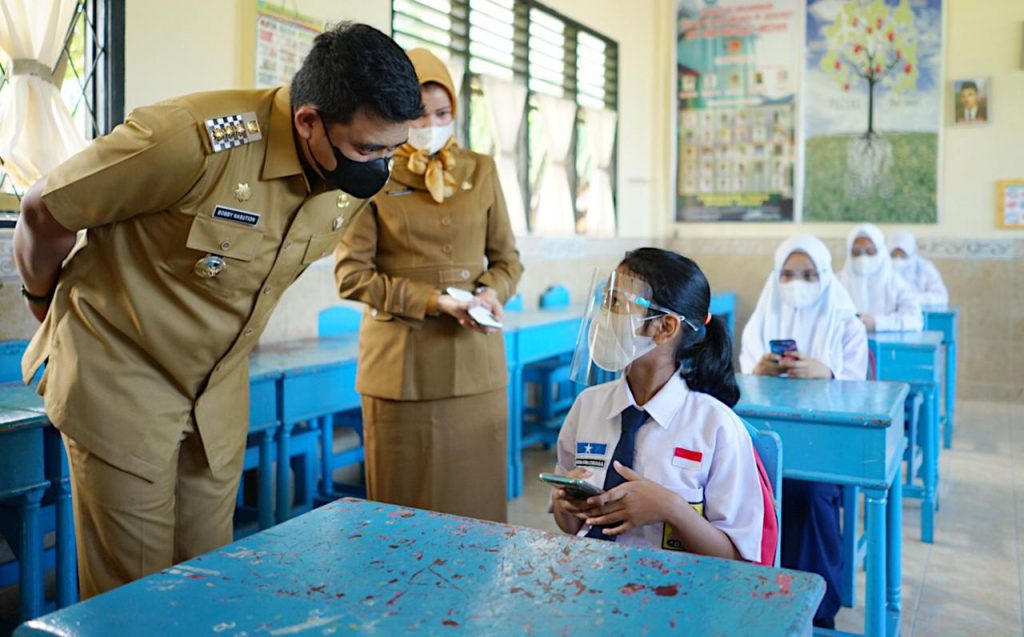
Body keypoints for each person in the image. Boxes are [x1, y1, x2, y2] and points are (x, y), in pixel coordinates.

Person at [12, 22, 423, 597]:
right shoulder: (190, 139)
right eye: (367, 149)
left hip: (216, 395)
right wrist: (41, 302)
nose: (379, 167)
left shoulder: (347, 178)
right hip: (121, 379)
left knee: (208, 578)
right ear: (308, 121)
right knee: (136, 593)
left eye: (391, 150)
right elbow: (44, 209)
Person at [334, 49, 522, 523]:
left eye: (442, 113)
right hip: (402, 371)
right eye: (418, 113)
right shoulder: (370, 169)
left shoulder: (481, 170)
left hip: (475, 367)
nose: (431, 123)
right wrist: (433, 301)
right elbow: (352, 275)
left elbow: (507, 260)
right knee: (404, 510)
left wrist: (491, 292)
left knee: (475, 510)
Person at [550, 248, 764, 563]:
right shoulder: (588, 405)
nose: (604, 317)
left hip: (679, 590)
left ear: (664, 328)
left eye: (617, 304)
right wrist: (565, 505)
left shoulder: (715, 426)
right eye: (606, 300)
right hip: (593, 578)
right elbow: (572, 526)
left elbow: (737, 558)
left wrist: (672, 510)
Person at [739, 235, 868, 629]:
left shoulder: (847, 324)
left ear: (825, 276)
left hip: (823, 446)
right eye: (789, 274)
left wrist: (827, 373)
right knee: (737, 489)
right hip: (764, 439)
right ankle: (758, 600)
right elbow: (740, 385)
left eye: (809, 274)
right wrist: (758, 372)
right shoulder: (762, 318)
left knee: (809, 494)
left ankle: (816, 611)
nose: (798, 282)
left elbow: (860, 393)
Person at [838, 223, 923, 333]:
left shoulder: (897, 284)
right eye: (856, 253)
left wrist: (877, 323)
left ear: (880, 252)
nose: (863, 258)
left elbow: (915, 320)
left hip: (890, 348)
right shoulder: (837, 283)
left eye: (870, 252)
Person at [889, 230, 949, 307]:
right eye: (893, 255)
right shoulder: (883, 268)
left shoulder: (925, 268)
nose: (898, 260)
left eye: (903, 255)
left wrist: (912, 299)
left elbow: (941, 297)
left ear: (912, 253)